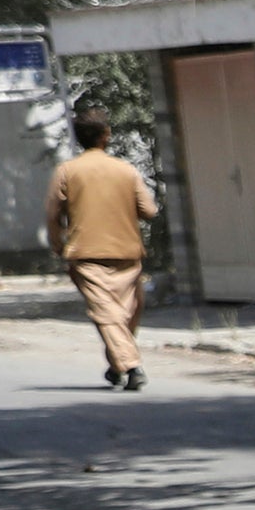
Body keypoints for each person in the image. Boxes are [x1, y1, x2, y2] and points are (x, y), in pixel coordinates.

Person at [45, 108, 159, 389]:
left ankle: (125, 365)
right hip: (127, 253)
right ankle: (126, 365)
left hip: (86, 253)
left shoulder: (67, 171)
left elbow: (52, 215)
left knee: (109, 314)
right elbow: (149, 210)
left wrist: (58, 245)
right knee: (122, 313)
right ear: (106, 136)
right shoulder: (126, 170)